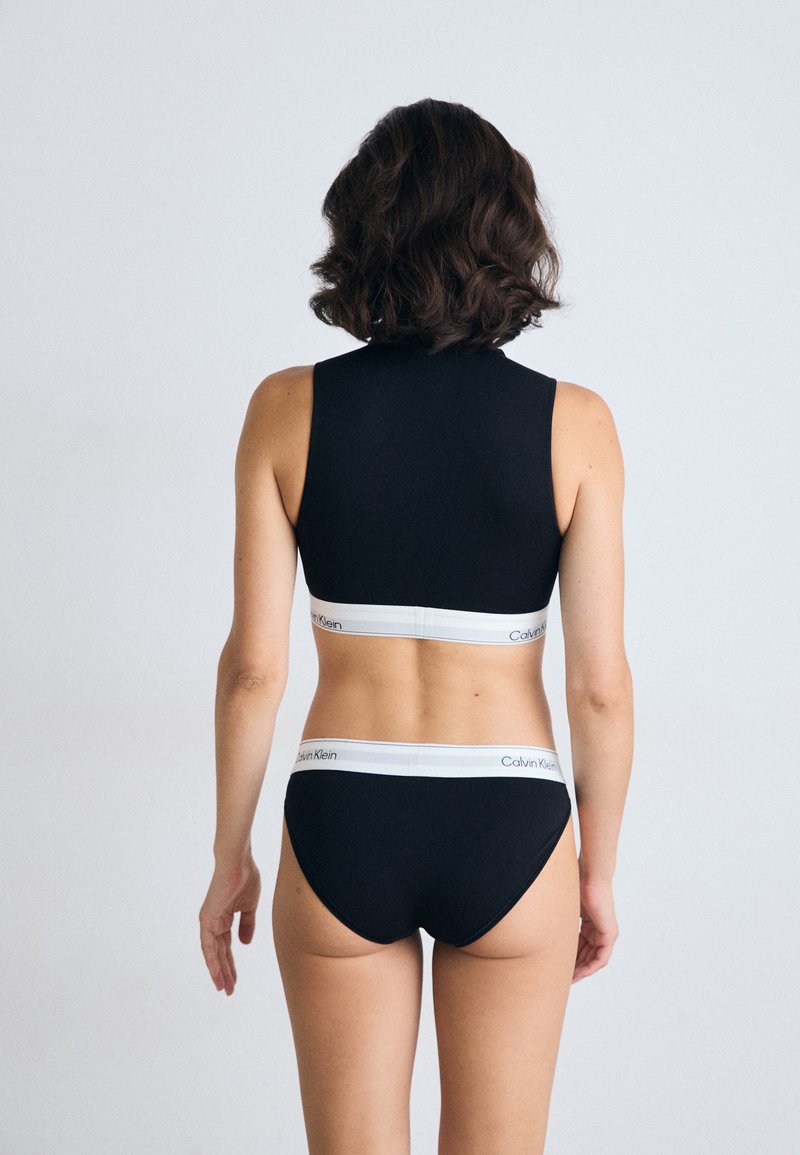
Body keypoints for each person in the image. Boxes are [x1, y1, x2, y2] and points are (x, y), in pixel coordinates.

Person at [199, 98, 633, 1155]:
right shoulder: (575, 424)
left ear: (362, 230)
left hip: (343, 811)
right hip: (509, 819)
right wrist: (595, 870)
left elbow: (254, 668)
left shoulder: (284, 408)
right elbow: (599, 686)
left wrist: (229, 853)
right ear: (509, 237)